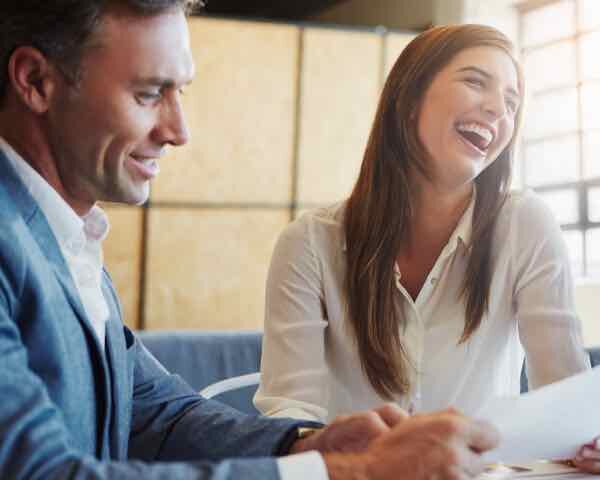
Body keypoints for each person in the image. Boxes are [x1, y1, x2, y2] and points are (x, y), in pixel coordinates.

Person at [0, 1, 501, 478]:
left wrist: (305, 445)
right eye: (150, 94)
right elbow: (37, 472)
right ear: (36, 81)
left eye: (181, 93)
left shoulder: (68, 237)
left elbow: (154, 413)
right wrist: (351, 473)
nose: (179, 130)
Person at [255, 24, 600, 474]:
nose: (498, 108)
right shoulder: (309, 244)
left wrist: (599, 437)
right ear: (410, 96)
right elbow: (290, 418)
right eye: (476, 81)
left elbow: (569, 399)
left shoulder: (525, 224)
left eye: (512, 102)